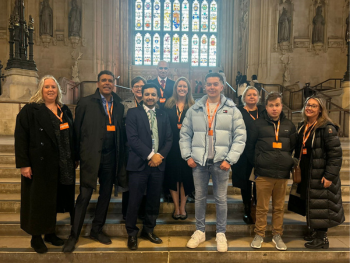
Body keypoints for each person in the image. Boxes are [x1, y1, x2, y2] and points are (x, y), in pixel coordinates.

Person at [180, 72, 246, 252]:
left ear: (222, 86)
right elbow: (185, 134)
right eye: (208, 84)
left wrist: (230, 160)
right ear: (204, 86)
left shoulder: (232, 109)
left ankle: (220, 233)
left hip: (221, 162)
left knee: (221, 199)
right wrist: (188, 156)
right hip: (199, 163)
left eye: (215, 84)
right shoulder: (194, 109)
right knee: (200, 198)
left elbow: (240, 137)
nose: (211, 87)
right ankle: (200, 231)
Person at [63, 70, 125, 252]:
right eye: (104, 80)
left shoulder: (119, 105)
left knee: (105, 195)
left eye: (110, 81)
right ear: (98, 83)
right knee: (84, 195)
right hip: (90, 156)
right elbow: (76, 132)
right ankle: (73, 235)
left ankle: (96, 230)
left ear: (114, 84)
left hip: (110, 156)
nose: (107, 83)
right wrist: (75, 156)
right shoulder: (85, 103)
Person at [15, 76, 76, 253]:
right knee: (38, 201)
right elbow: (21, 138)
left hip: (62, 163)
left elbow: (72, 136)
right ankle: (36, 237)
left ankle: (50, 233)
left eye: (54, 87)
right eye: (46, 87)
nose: (50, 90)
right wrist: (24, 164)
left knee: (54, 200)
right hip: (39, 164)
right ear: (41, 90)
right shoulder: (30, 110)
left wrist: (75, 157)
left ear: (58, 90)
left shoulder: (64, 110)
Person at [289, 96, 344, 249]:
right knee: (312, 202)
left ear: (320, 110)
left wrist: (329, 176)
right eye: (308, 105)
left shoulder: (327, 128)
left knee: (322, 205)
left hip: (321, 173)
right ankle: (314, 231)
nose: (310, 108)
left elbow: (335, 154)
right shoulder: (303, 126)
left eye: (314, 106)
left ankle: (322, 238)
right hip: (307, 171)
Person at [125, 83, 173, 250]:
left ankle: (148, 230)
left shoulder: (163, 114)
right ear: (142, 95)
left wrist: (159, 156)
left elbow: (169, 139)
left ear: (157, 96)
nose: (150, 97)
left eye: (153, 94)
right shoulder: (132, 113)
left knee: (153, 200)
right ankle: (131, 233)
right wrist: (151, 155)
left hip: (158, 165)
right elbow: (132, 139)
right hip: (139, 164)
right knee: (135, 200)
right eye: (147, 94)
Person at [247, 92, 297, 251]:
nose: (274, 108)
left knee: (278, 207)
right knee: (261, 207)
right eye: (271, 105)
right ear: (266, 107)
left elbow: (294, 146)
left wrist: (289, 162)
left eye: (277, 105)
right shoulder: (258, 124)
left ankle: (277, 234)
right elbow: (250, 146)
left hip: (282, 174)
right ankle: (259, 234)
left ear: (281, 106)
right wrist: (258, 162)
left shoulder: (289, 125)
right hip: (263, 173)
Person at [231, 86, 265, 224]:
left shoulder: (263, 111)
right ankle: (247, 208)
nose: (252, 97)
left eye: (254, 94)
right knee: (246, 183)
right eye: (249, 95)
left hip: (260, 153)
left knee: (259, 183)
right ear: (244, 97)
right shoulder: (238, 111)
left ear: (258, 97)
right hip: (243, 153)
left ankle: (256, 208)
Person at [164, 77, 195, 220]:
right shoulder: (168, 105)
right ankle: (176, 207)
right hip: (171, 146)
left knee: (186, 177)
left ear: (188, 89)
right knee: (173, 177)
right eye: (179, 86)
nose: (182, 88)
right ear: (175, 88)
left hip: (188, 147)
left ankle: (183, 207)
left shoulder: (193, 106)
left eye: (185, 86)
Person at [120, 76, 147, 220]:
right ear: (132, 89)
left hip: (146, 150)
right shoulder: (124, 105)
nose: (139, 88)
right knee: (128, 183)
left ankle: (141, 212)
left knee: (143, 182)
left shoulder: (151, 104)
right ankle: (127, 213)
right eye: (136, 86)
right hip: (129, 149)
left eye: (142, 86)